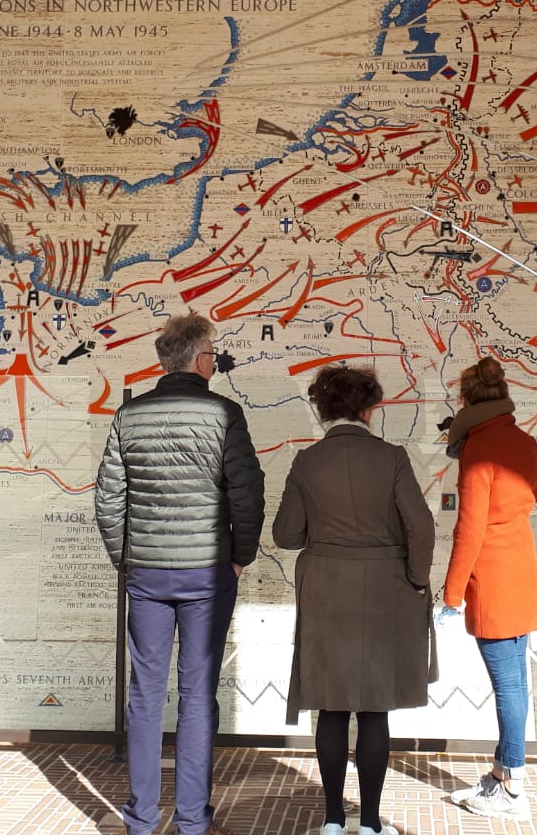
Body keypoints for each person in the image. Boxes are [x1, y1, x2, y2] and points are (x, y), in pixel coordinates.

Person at [95, 313, 265, 835]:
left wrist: (126, 559)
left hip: (147, 574)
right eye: (213, 354)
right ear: (198, 360)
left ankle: (141, 820)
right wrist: (241, 555)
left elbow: (108, 499)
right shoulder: (224, 414)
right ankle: (192, 820)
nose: (215, 362)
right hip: (208, 575)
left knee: (145, 696)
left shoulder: (129, 416)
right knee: (197, 695)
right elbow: (247, 493)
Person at [272, 364, 436, 835]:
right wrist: (416, 579)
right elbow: (421, 526)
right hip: (385, 590)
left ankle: (331, 819)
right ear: (369, 410)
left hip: (326, 591)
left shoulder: (307, 462)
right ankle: (369, 824)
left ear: (324, 410)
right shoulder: (393, 458)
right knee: (373, 709)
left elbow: (286, 535)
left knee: (331, 707)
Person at [442, 356, 537, 821]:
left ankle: (513, 789)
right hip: (522, 572)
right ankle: (500, 774)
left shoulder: (478, 449)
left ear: (465, 400)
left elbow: (469, 529)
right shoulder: (523, 441)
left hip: (494, 582)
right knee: (515, 683)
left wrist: (452, 594)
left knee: (508, 688)